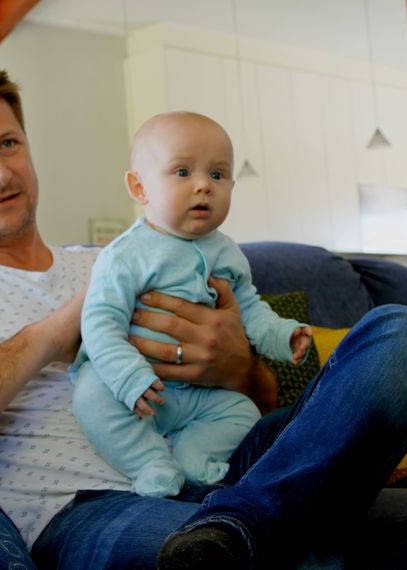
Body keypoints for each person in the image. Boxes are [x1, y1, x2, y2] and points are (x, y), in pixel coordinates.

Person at [0, 65, 407, 569]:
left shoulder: (138, 252)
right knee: (201, 546)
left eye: (9, 144)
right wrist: (54, 332)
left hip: (230, 457)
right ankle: (268, 528)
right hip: (89, 506)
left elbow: (266, 399)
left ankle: (241, 530)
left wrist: (239, 366)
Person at [70, 110, 312, 499]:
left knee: (242, 412)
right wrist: (129, 377)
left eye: (217, 175)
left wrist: (282, 335)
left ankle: (195, 458)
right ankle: (149, 462)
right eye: (182, 172)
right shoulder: (125, 256)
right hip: (134, 388)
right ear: (139, 188)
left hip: (201, 393)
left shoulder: (227, 253)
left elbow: (249, 308)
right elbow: (99, 323)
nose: (203, 186)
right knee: (90, 395)